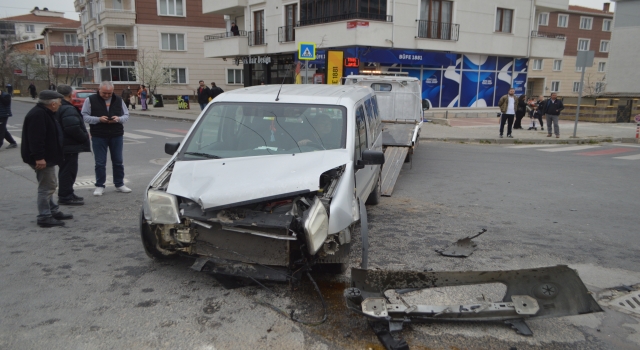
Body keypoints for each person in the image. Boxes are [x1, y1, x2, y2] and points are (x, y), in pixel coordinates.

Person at [21, 90, 73, 227]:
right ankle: (44, 216)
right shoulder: (38, 115)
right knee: (47, 187)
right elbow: (36, 139)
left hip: (46, 157)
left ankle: (52, 211)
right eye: (60, 102)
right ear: (53, 104)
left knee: (47, 185)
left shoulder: (45, 112)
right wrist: (39, 158)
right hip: (42, 158)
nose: (61, 104)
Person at [81, 81, 132, 196]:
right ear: (99, 90)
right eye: (104, 93)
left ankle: (119, 184)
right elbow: (84, 116)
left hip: (116, 134)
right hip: (99, 135)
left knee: (118, 161)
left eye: (109, 93)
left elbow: (126, 115)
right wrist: (98, 119)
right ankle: (100, 185)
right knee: (100, 162)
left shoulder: (118, 99)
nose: (107, 95)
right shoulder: (90, 100)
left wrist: (118, 119)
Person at [56, 85, 91, 205]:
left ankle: (68, 193)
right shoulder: (67, 108)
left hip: (63, 144)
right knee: (68, 171)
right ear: (70, 95)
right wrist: (84, 137)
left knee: (66, 171)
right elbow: (72, 128)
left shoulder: (59, 107)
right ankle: (65, 196)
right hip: (69, 145)